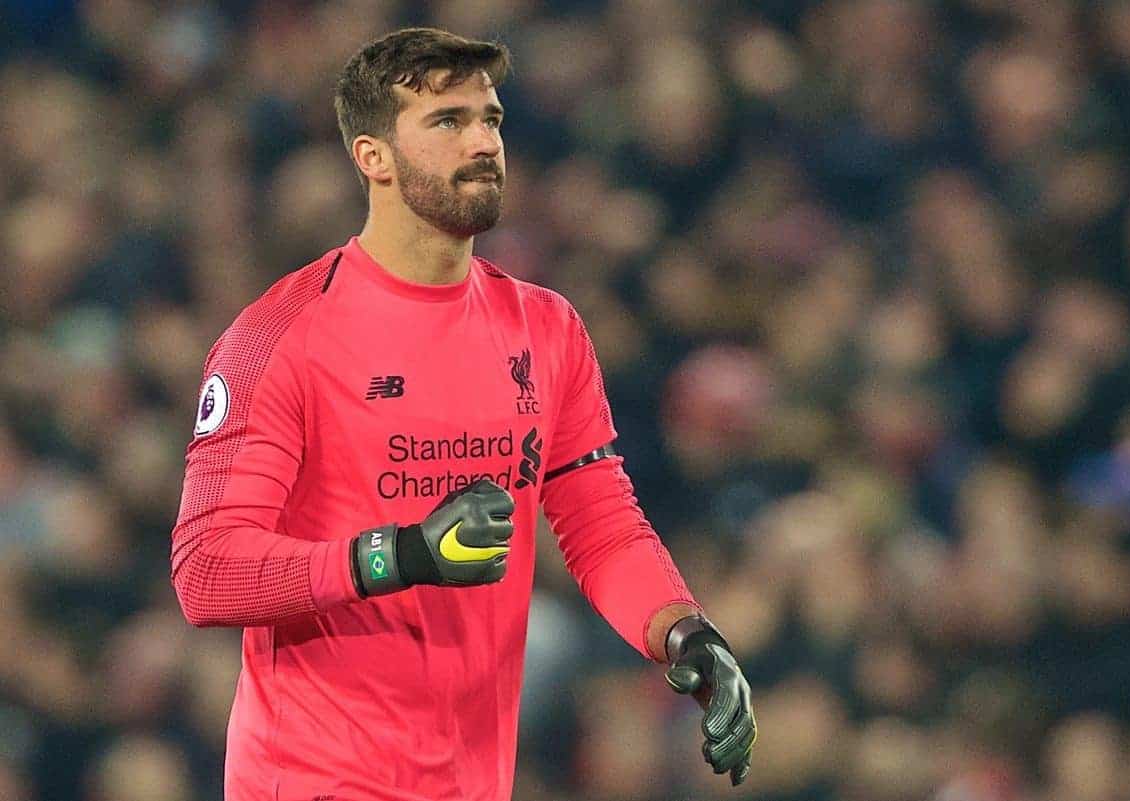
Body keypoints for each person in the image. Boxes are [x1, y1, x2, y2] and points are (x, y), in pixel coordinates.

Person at [170, 27, 756, 801]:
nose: (483, 141)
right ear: (372, 157)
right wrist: (398, 554)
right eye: (448, 121)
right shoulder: (279, 338)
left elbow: (602, 526)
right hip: (316, 777)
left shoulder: (545, 329)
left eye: (492, 119)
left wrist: (685, 630)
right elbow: (207, 571)